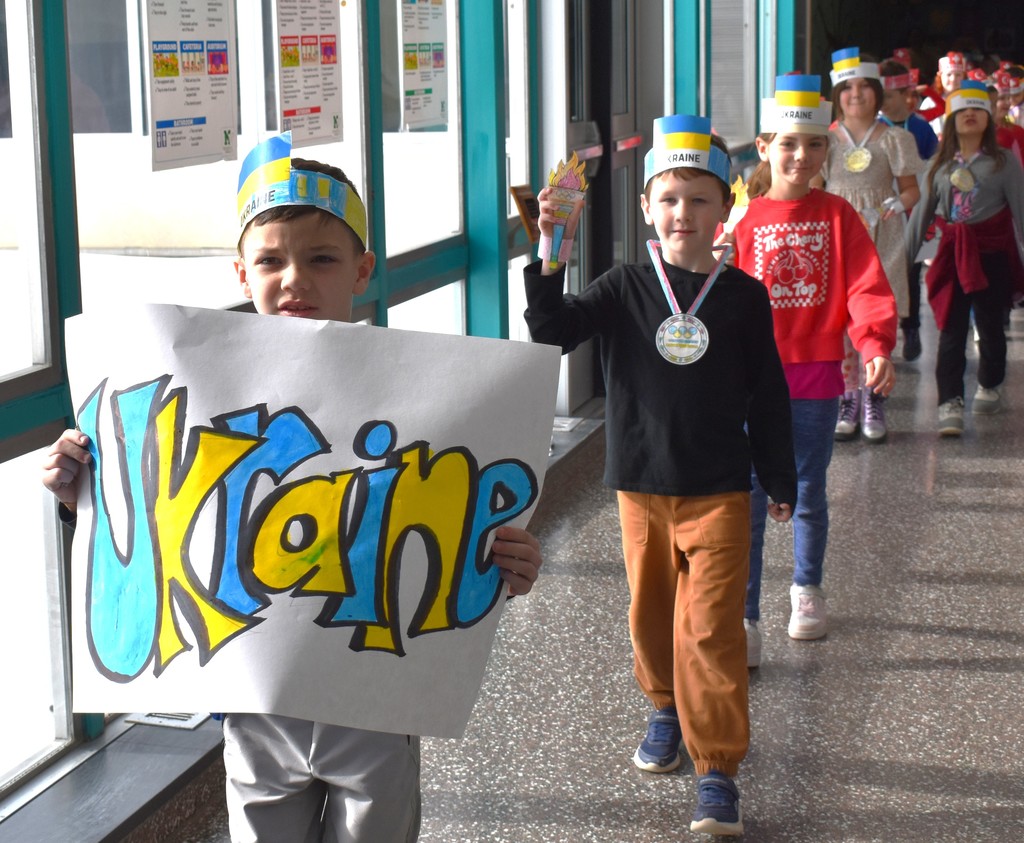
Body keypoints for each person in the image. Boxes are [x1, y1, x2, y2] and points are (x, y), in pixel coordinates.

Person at [41, 134, 545, 843]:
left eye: (321, 259)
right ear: (241, 273)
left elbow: (454, 518)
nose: (294, 279)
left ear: (363, 270)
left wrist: (506, 562)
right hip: (254, 705)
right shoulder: (203, 401)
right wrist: (85, 498)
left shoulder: (423, 400)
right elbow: (163, 524)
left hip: (375, 697)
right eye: (271, 260)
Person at [524, 114, 796, 837]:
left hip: (720, 490)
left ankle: (717, 771)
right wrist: (549, 255)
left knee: (711, 630)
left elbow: (768, 391)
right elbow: (552, 330)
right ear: (647, 207)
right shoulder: (623, 287)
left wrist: (781, 474)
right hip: (640, 486)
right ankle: (666, 705)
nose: (684, 213)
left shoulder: (742, 297)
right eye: (669, 198)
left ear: (724, 208)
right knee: (650, 616)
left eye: (699, 198)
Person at [723, 74, 897, 651]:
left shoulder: (839, 215)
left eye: (814, 144)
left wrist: (874, 345)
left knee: (806, 488)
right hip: (748, 380)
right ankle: (744, 614)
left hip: (816, 375)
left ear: (827, 148)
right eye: (789, 143)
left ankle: (806, 588)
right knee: (746, 493)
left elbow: (865, 286)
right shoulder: (741, 221)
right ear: (765, 146)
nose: (801, 156)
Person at [905, 80, 1024, 436]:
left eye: (977, 109)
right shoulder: (937, 166)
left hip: (992, 257)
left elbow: (1021, 212)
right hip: (951, 256)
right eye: (962, 110)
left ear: (989, 118)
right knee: (950, 329)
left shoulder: (1004, 163)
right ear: (951, 119)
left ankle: (989, 382)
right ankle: (949, 402)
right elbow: (921, 217)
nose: (970, 114)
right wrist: (902, 266)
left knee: (990, 327)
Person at [819, 48, 920, 442]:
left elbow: (911, 189)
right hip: (838, 233)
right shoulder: (822, 142)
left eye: (864, 86)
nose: (856, 94)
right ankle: (848, 395)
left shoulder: (895, 138)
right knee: (841, 317)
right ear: (838, 95)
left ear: (877, 93)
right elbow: (814, 188)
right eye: (848, 88)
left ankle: (875, 398)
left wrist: (896, 203)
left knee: (878, 315)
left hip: (883, 233)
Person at [879, 57, 939, 364]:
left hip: (914, 211)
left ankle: (911, 326)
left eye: (888, 95)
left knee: (911, 272)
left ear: (905, 94)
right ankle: (881, 335)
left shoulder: (921, 129)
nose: (883, 102)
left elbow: (932, 170)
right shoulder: (875, 128)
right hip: (881, 213)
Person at [919, 51, 967, 136]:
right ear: (940, 77)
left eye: (958, 75)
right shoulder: (930, 102)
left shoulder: (968, 100)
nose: (953, 79)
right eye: (948, 75)